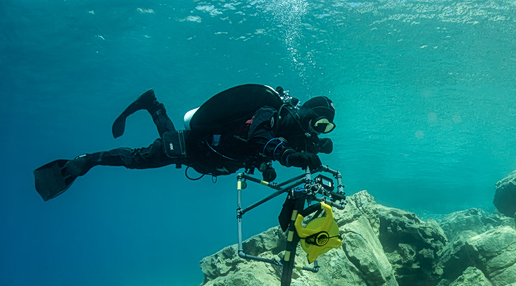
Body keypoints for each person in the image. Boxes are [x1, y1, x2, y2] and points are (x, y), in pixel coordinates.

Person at [33, 85, 335, 201]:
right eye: (319, 123)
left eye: (326, 128)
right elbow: (258, 137)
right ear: (306, 113)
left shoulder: (284, 131)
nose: (319, 131)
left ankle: (152, 103)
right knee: (138, 159)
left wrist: (303, 156)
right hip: (194, 148)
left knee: (168, 140)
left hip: (201, 155)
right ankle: (87, 161)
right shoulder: (270, 112)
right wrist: (288, 157)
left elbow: (262, 148)